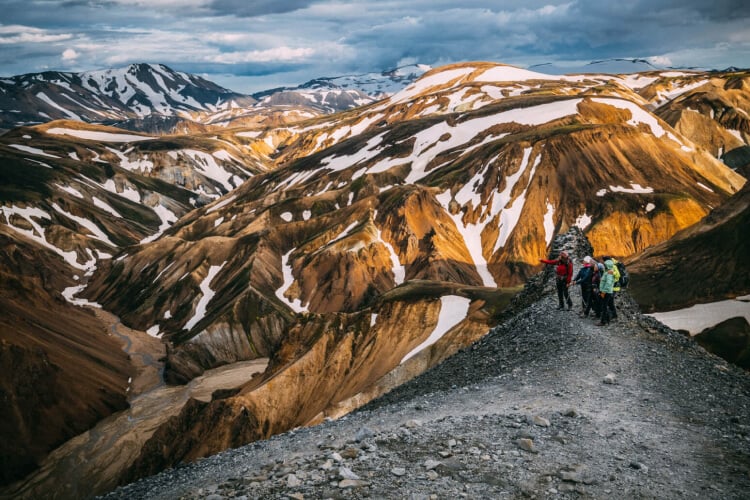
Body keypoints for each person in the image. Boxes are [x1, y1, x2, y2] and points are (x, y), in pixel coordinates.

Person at [597, 259, 617, 326]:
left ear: (607, 266)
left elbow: (608, 283)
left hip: (606, 292)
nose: (604, 266)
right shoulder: (608, 272)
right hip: (607, 292)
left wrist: (603, 292)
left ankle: (603, 321)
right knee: (607, 305)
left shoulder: (609, 273)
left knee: (604, 306)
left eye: (605, 265)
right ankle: (608, 319)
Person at [601, 255, 620, 320]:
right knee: (610, 302)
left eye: (604, 261)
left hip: (613, 287)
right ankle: (613, 315)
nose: (603, 262)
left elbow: (618, 275)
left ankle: (611, 316)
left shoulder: (613, 266)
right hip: (611, 287)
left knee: (610, 302)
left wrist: (613, 273)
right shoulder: (608, 266)